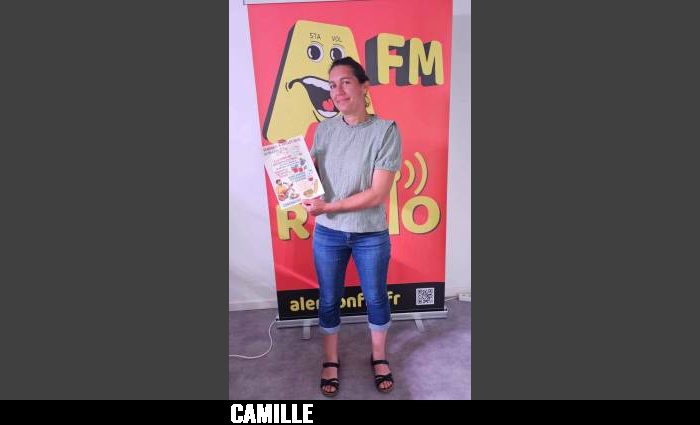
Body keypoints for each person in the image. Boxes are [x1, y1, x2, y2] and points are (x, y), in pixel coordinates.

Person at [302, 56, 402, 396]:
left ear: (364, 87)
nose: (338, 91)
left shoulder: (385, 130)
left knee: (375, 297)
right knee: (329, 298)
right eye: (332, 85)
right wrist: (299, 186)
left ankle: (379, 356)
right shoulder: (324, 130)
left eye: (345, 82)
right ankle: (331, 359)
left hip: (370, 234)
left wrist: (328, 206)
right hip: (328, 232)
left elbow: (377, 194)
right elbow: (310, 177)